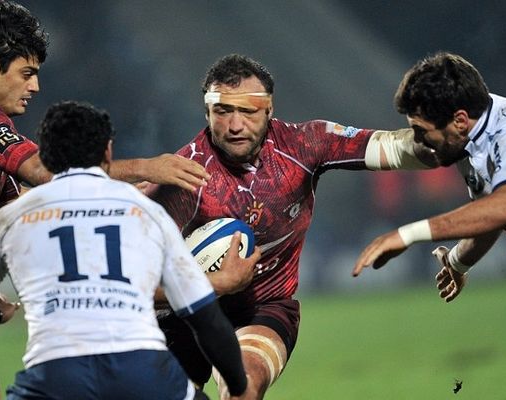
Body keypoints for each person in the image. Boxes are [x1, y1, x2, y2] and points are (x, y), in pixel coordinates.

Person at [0, 1, 208, 399]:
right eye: (27, 73)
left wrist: (113, 196)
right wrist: (145, 166)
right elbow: (48, 172)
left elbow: (31, 201)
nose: (35, 86)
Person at [144, 53, 439, 399]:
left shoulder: (304, 144)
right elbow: (133, 285)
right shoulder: (182, 177)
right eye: (223, 111)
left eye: (248, 111)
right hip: (184, 313)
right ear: (207, 112)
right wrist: (215, 283)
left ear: (269, 110)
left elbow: (392, 148)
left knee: (244, 387)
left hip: (262, 308)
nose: (235, 125)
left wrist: (447, 141)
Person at [0, 100, 259, 400]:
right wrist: (238, 382)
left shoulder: (10, 217)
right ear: (107, 152)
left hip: (54, 375)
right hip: (142, 371)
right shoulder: (144, 210)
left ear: (45, 158)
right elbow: (205, 319)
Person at [352, 52, 506, 303]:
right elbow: (488, 216)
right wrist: (456, 262)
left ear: (460, 120)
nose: (418, 141)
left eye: (421, 131)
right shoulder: (470, 139)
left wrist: (408, 234)